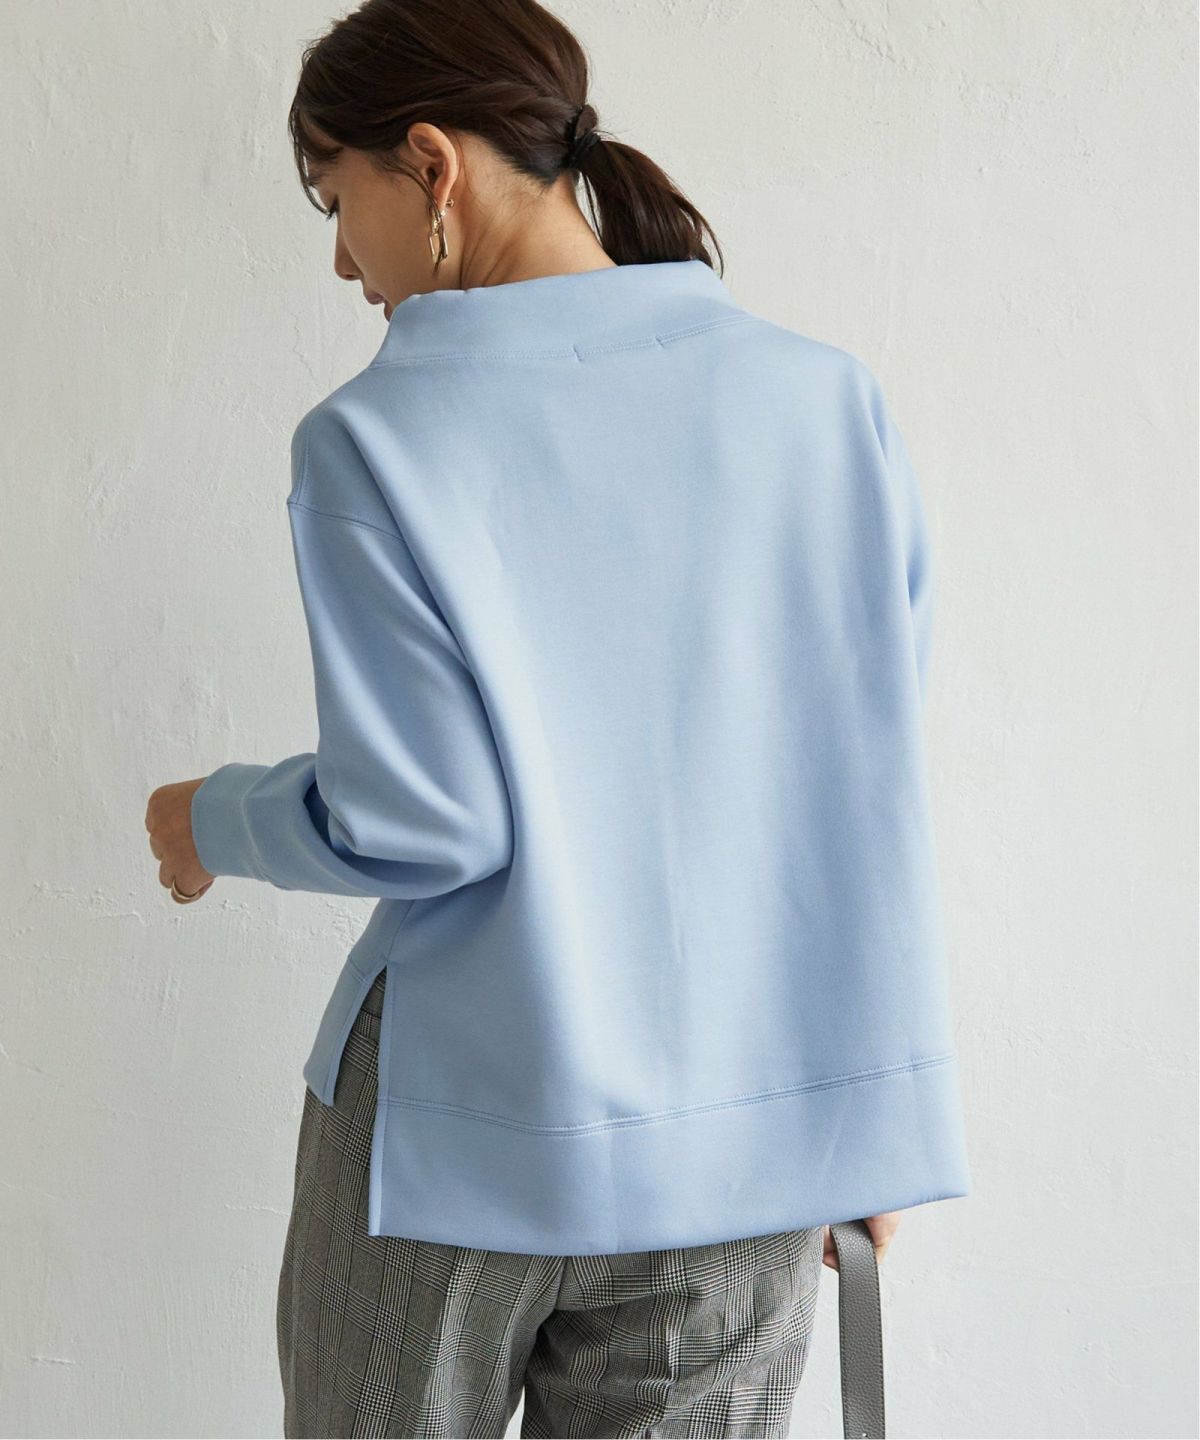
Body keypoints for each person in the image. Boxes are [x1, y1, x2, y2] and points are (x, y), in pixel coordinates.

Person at [143, 0, 971, 1434]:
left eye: (337, 202)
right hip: (750, 1147)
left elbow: (424, 821)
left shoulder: (375, 439)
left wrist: (210, 817)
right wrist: (865, 1117)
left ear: (432, 165)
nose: (341, 259)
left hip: (454, 1142)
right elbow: (856, 787)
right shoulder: (825, 403)